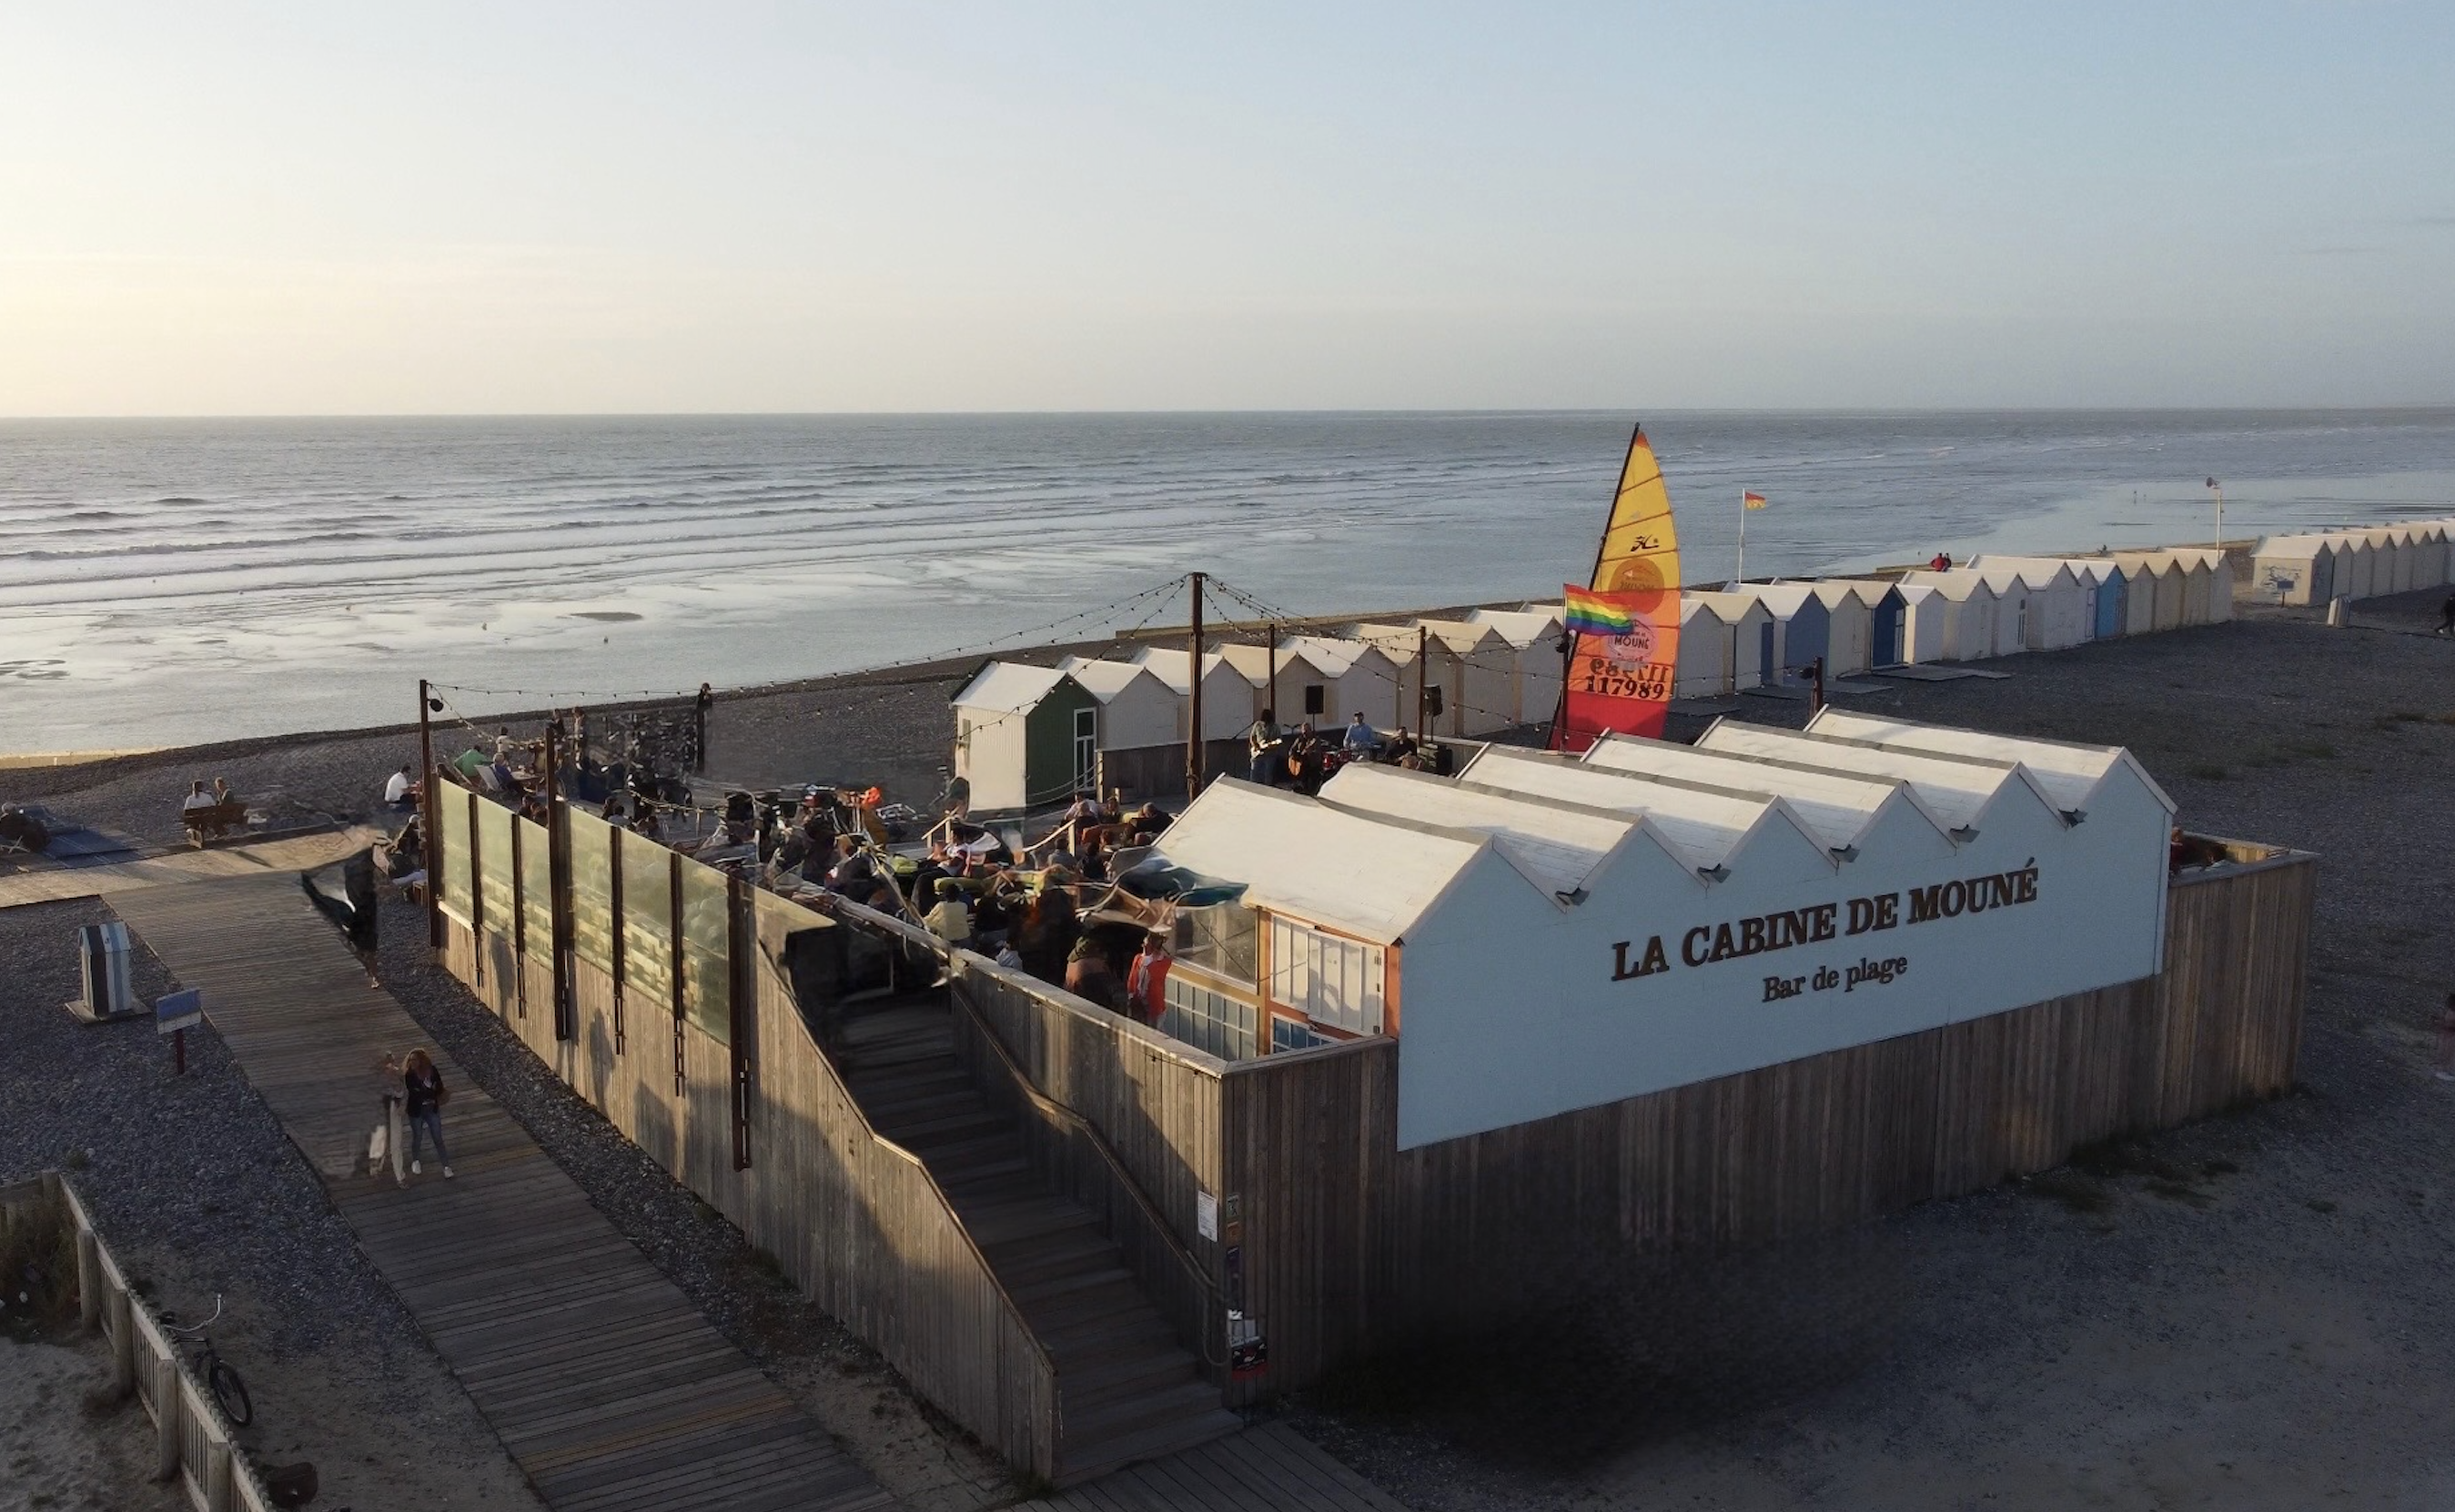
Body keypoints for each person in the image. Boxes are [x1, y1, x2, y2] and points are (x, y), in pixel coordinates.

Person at [401, 1049, 453, 1179]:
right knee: (417, 1136)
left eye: (414, 1060)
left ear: (421, 1060)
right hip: (416, 1110)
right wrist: (430, 1090)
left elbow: (440, 1088)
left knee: (438, 1138)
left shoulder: (432, 1071)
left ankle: (446, 1167)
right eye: (410, 1060)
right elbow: (415, 1093)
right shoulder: (409, 1075)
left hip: (431, 1109)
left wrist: (429, 1091)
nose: (412, 1062)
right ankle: (416, 1160)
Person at [1064, 936, 1123, 1010]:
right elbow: (1110, 985)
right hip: (1090, 1003)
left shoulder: (1071, 962)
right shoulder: (1095, 962)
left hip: (1072, 999)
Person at [1126, 932, 1173, 1024]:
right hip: (1138, 1001)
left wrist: (1150, 956)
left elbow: (1153, 971)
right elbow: (1132, 978)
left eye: (1145, 946)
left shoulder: (1164, 962)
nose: (1143, 948)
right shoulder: (1138, 958)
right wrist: (1131, 994)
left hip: (1153, 1004)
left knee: (1153, 1027)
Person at [693, 682, 714, 773]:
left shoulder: (708, 697)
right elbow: (701, 707)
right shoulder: (701, 697)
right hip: (701, 724)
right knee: (701, 745)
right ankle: (700, 767)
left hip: (705, 724)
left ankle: (701, 767)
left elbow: (708, 706)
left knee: (704, 745)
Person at [2437, 992, 2455, 1082]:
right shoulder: (2451, 1013)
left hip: (2449, 1034)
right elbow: (2449, 1023)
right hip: (2448, 1035)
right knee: (2446, 1052)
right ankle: (2442, 1071)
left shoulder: (2450, 1012)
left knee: (2449, 1053)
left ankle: (2445, 1070)